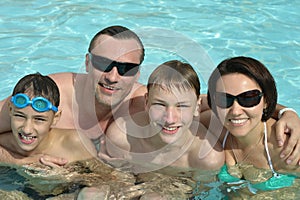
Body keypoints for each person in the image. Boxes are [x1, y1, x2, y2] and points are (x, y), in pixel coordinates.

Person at [0, 25, 299, 165]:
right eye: (104, 64)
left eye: (126, 67)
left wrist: (286, 113)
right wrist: (17, 162)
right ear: (88, 62)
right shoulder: (54, 95)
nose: (114, 76)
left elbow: (229, 101)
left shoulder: (149, 100)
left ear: (138, 73)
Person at [105, 60, 225, 176]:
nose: (170, 119)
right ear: (146, 102)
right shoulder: (121, 137)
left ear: (197, 107)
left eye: (182, 106)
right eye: (160, 105)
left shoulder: (206, 157)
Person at [207, 56, 299, 192]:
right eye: (225, 99)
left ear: (266, 100)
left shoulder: (286, 149)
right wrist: (287, 111)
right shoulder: (212, 128)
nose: (236, 111)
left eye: (248, 98)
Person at [0, 73, 97, 166]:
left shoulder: (75, 143)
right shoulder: (4, 143)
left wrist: (66, 177)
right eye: (20, 116)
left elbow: (104, 178)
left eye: (39, 119)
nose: (27, 130)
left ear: (56, 118)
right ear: (10, 110)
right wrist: (20, 162)